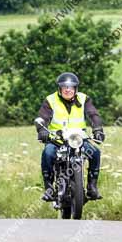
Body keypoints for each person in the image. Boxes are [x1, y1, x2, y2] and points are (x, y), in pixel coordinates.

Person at [36, 72, 105, 202]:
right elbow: (42, 118)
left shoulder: (84, 99)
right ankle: (49, 188)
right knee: (47, 153)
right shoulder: (50, 100)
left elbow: (93, 114)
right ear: (59, 89)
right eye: (65, 87)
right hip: (57, 140)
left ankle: (92, 187)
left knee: (95, 152)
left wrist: (98, 129)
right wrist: (41, 130)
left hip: (78, 140)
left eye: (71, 87)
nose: (68, 90)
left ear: (75, 89)